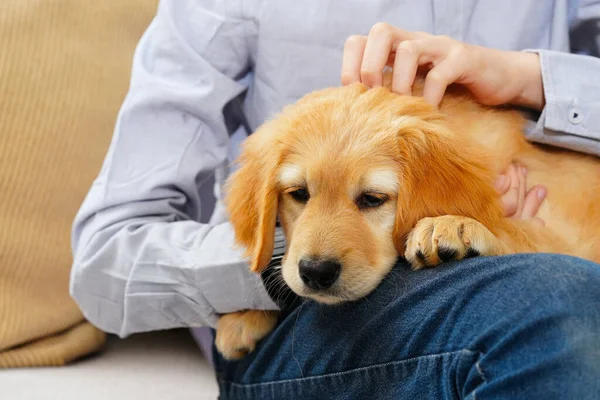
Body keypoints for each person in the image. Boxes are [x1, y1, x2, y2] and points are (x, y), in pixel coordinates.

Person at [70, 1, 600, 398]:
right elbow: (107, 257)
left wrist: (533, 79)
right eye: (298, 193)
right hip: (301, 328)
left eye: (371, 197)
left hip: (542, 270)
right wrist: (271, 266)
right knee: (557, 305)